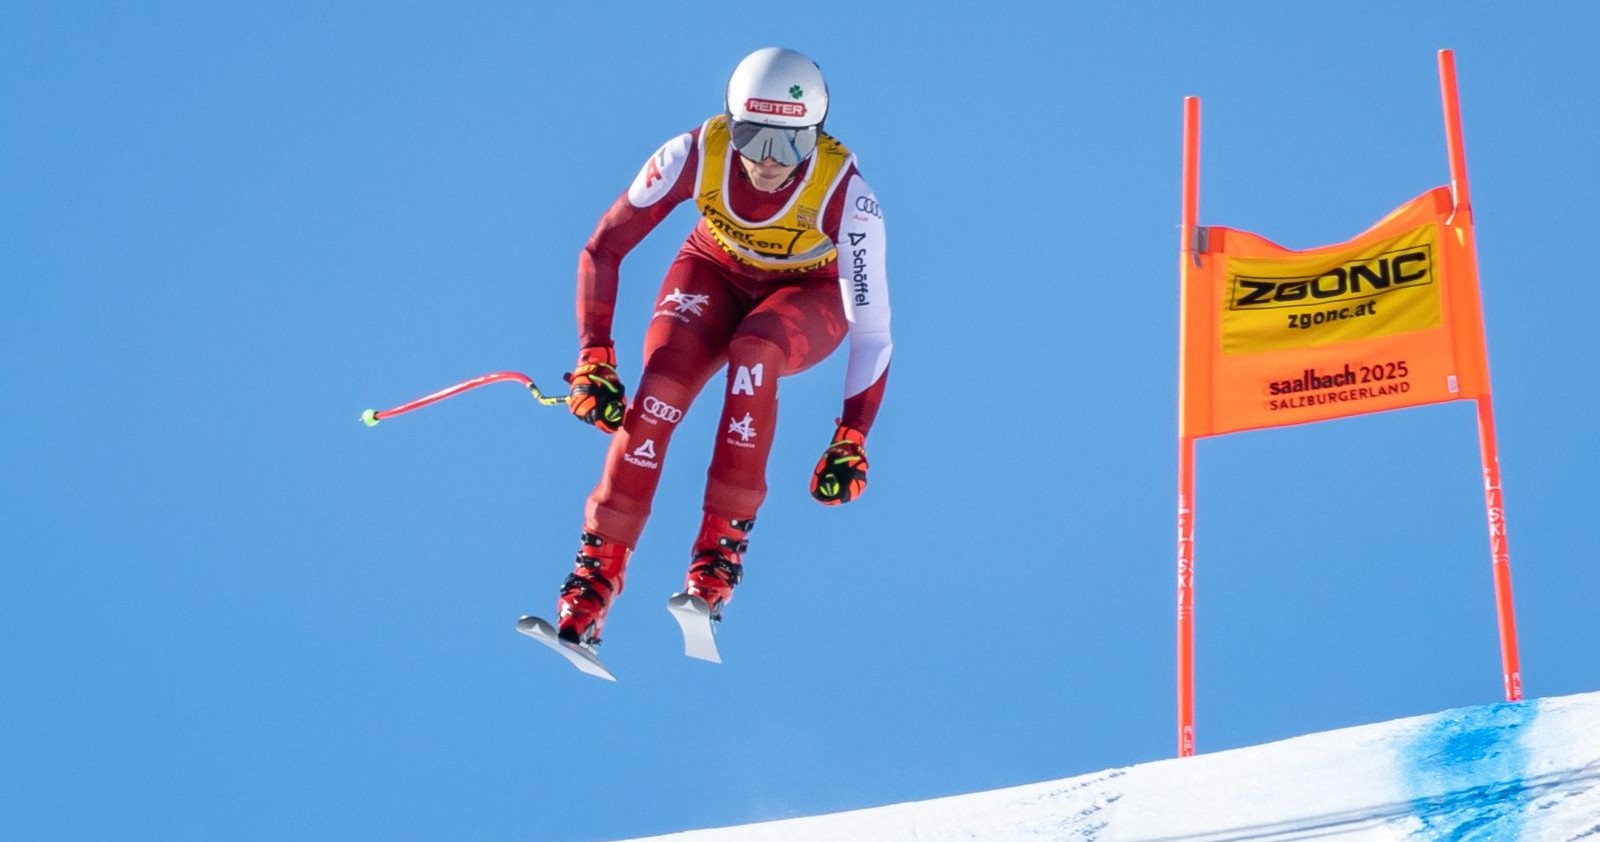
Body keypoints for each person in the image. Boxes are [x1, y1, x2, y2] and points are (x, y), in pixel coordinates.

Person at [553, 46, 892, 649]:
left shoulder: (848, 194)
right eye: (751, 136)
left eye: (789, 144)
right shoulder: (693, 152)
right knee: (659, 388)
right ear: (728, 123)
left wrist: (852, 436)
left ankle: (716, 561)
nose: (766, 159)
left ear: (815, 137)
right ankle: (593, 581)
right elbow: (602, 249)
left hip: (809, 293)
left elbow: (873, 330)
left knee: (756, 352)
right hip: (713, 269)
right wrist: (594, 357)